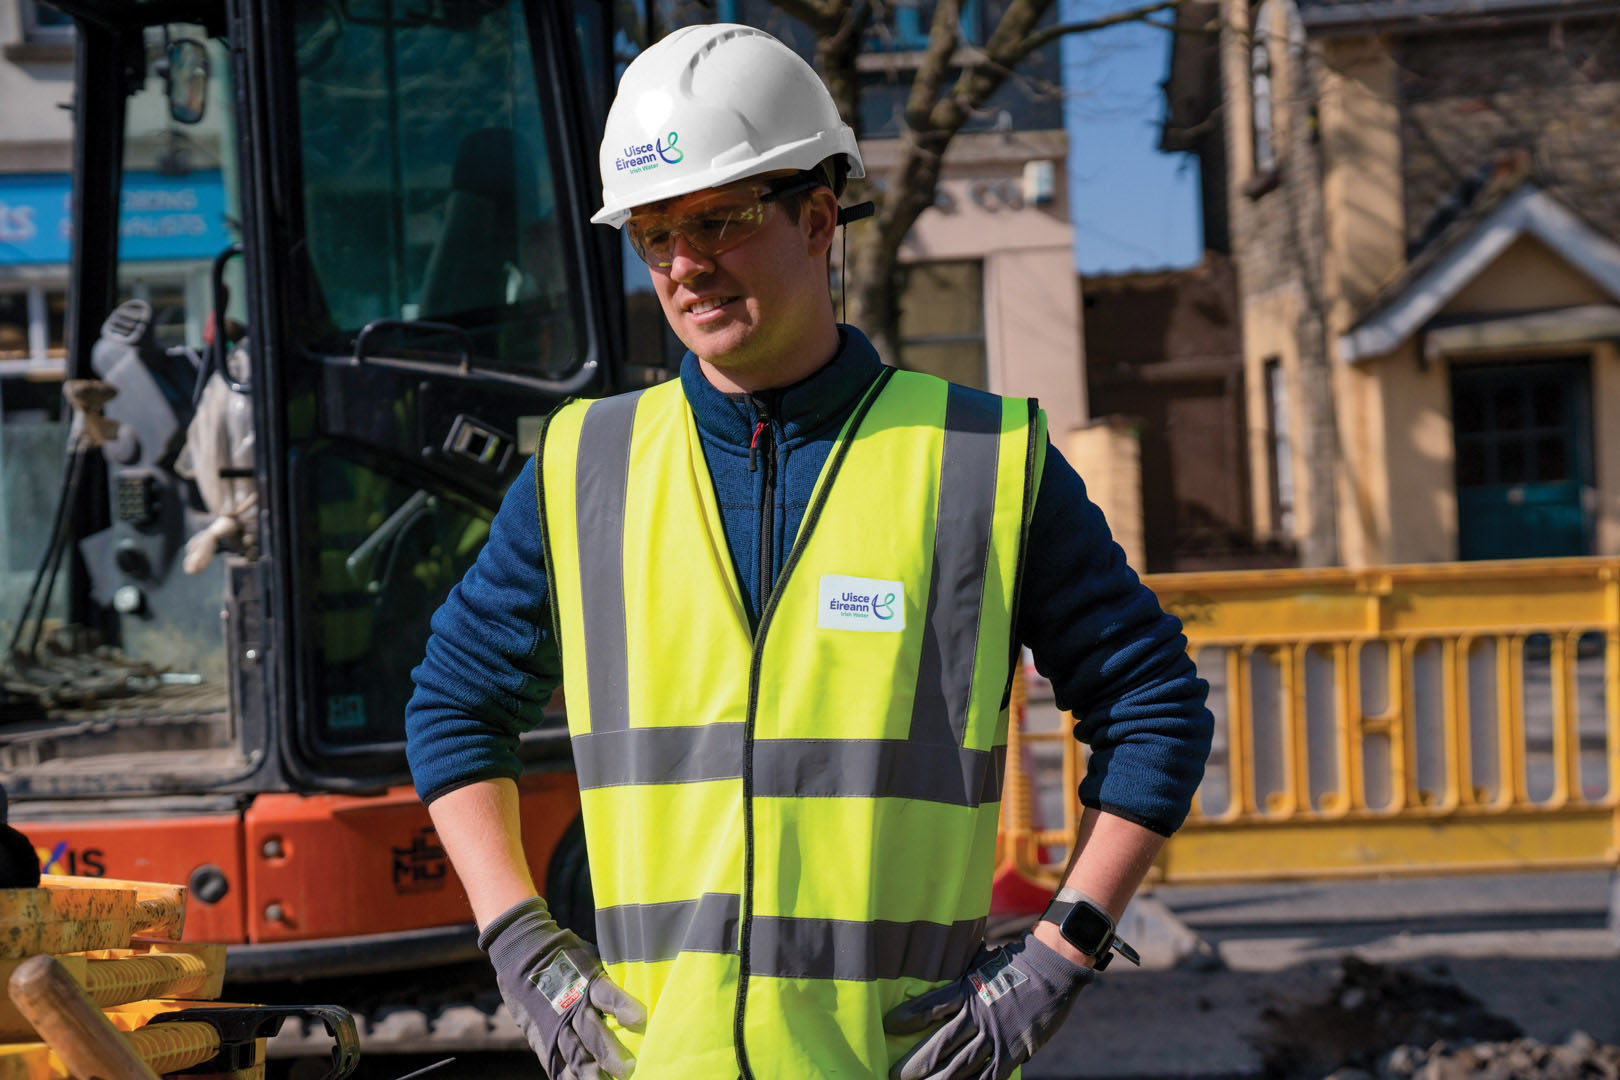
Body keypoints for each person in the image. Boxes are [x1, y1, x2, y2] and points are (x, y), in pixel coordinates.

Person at [405, 23, 1212, 1080]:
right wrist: (517, 939)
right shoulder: (583, 467)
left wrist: (1063, 952)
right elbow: (454, 705)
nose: (687, 264)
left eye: (721, 221)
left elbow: (1154, 705)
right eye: (655, 235)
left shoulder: (979, 459)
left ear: (820, 218)